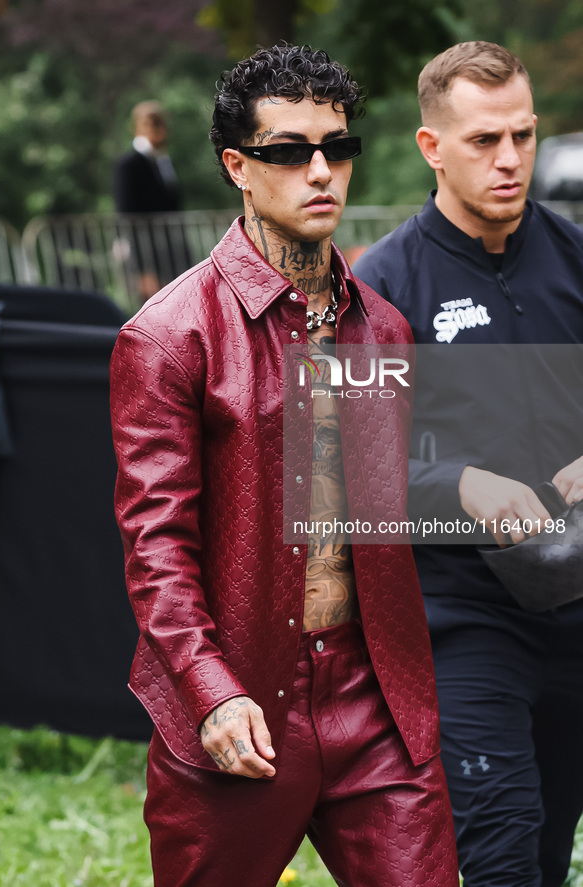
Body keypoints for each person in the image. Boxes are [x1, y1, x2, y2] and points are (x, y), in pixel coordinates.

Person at [110, 44, 458, 887]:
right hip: (236, 698)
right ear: (237, 165)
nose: (319, 171)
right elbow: (156, 543)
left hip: (376, 701)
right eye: (287, 151)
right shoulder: (167, 337)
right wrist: (208, 688)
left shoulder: (383, 328)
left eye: (335, 148)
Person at [353, 40, 583, 887]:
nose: (511, 159)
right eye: (485, 140)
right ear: (430, 147)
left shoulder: (574, 259)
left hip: (577, 607)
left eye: (522, 134)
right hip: (464, 623)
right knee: (499, 846)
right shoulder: (377, 289)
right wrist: (460, 485)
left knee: (548, 848)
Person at [113, 101, 190, 300]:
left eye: (160, 123)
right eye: (150, 123)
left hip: (170, 246)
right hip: (146, 249)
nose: (157, 129)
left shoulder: (163, 161)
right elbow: (126, 210)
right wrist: (140, 263)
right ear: (137, 127)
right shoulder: (129, 163)